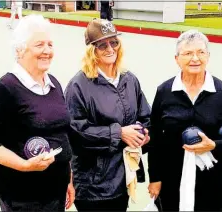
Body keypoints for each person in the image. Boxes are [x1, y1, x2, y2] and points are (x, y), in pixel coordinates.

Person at [147, 29, 222, 211]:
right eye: (188, 53)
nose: (195, 58)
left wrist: (215, 145)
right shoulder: (164, 91)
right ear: (177, 59)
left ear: (208, 56)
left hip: (211, 181)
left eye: (200, 52)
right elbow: (155, 138)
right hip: (172, 178)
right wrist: (155, 178)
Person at [0, 14, 75, 211]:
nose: (47, 51)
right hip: (22, 197)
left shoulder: (53, 84)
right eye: (39, 45)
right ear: (20, 50)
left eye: (50, 44)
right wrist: (25, 165)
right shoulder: (4, 89)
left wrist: (68, 178)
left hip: (55, 193)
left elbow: (61, 134)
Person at [64, 18, 151, 211]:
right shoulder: (78, 85)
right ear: (91, 50)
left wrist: (143, 134)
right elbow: (75, 132)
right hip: (93, 187)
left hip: (123, 178)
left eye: (114, 42)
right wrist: (119, 133)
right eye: (102, 45)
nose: (110, 49)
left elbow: (145, 116)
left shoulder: (130, 79)